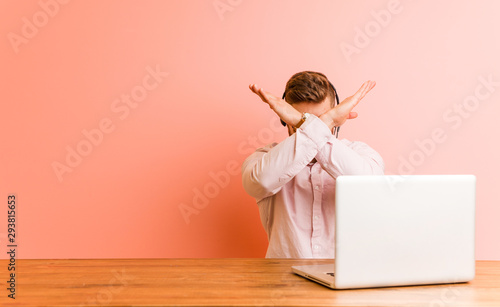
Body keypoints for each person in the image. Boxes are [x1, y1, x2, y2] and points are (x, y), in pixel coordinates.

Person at [241, 71, 385, 258]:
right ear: (284, 120)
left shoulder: (361, 154)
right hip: (283, 283)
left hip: (346, 282)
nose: (308, 127)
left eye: (321, 120)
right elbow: (260, 183)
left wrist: (303, 123)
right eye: (300, 120)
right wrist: (326, 121)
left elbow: (369, 185)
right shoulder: (265, 158)